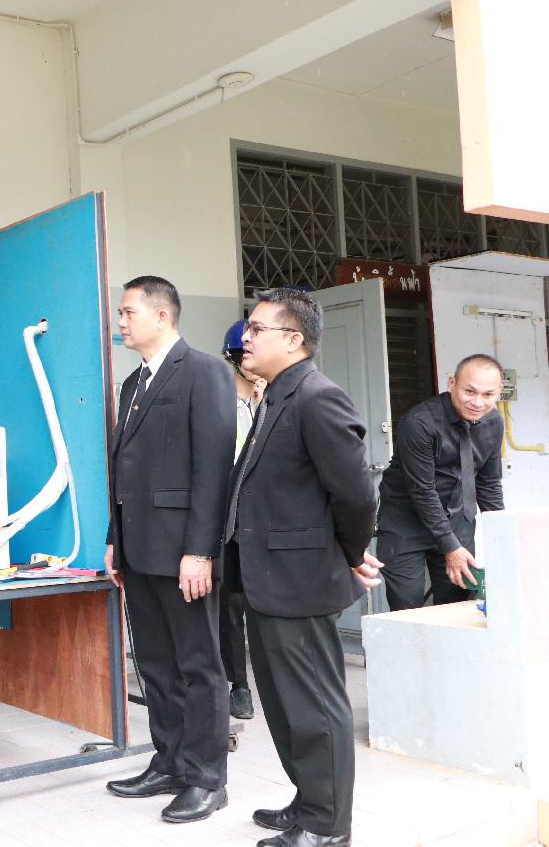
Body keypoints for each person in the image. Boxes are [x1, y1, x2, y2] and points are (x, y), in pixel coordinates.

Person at [225, 288, 382, 847]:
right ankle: (309, 800)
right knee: (286, 706)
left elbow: (356, 496)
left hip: (301, 582)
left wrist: (350, 553)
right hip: (268, 581)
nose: (245, 338)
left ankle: (327, 826)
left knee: (315, 707)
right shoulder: (276, 396)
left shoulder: (317, 397)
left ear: (293, 340)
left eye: (256, 329)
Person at [103, 276, 236, 824]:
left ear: (162, 316)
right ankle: (170, 762)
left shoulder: (204, 372)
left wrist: (200, 550)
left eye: (128, 312)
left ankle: (207, 778)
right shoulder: (132, 383)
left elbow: (214, 468)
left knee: (199, 666)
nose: (121, 322)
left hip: (185, 552)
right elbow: (125, 470)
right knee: (156, 665)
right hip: (140, 550)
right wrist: (115, 538)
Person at [376, 354, 504, 611]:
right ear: (452, 382)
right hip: (405, 523)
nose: (478, 402)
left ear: (499, 392)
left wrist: (503, 534)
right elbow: (422, 490)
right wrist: (450, 546)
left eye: (488, 394)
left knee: (457, 607)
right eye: (470, 391)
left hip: (458, 519)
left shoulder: (493, 422)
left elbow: (489, 484)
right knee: (407, 610)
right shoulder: (419, 423)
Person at [220, 318, 265, 721]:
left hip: (266, 520)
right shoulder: (220, 404)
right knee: (231, 605)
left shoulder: (278, 400)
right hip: (229, 518)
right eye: (243, 354)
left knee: (265, 603)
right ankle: (239, 683)